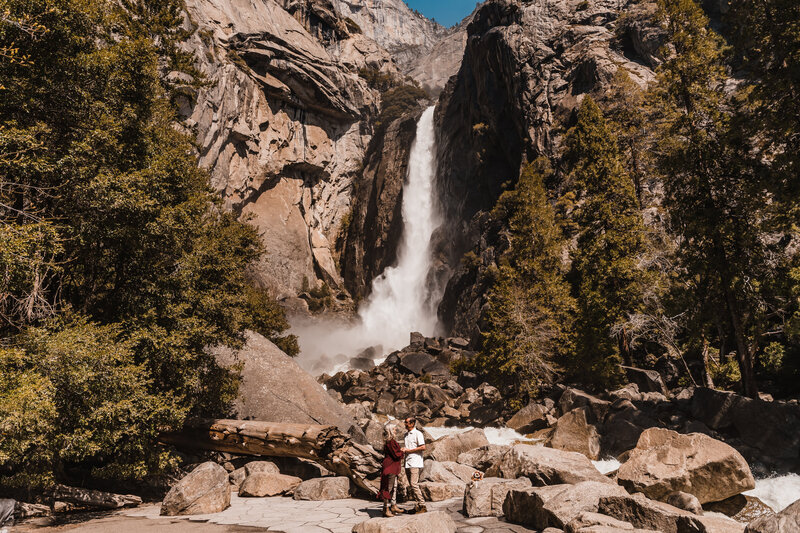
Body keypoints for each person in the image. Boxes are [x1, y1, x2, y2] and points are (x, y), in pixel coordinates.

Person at [398, 417, 427, 513]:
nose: (405, 424)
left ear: (412, 424)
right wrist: (404, 449)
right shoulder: (406, 435)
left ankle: (422, 505)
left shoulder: (418, 434)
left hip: (415, 462)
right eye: (405, 422)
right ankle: (417, 505)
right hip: (407, 462)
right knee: (411, 484)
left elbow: (423, 447)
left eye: (406, 423)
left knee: (414, 484)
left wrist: (409, 451)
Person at [378, 425, 405, 517]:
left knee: (394, 486)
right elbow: (396, 455)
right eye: (394, 429)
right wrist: (402, 451)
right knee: (388, 488)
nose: (396, 430)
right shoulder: (391, 442)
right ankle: (386, 509)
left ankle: (393, 506)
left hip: (392, 467)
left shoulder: (389, 441)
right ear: (390, 430)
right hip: (390, 467)